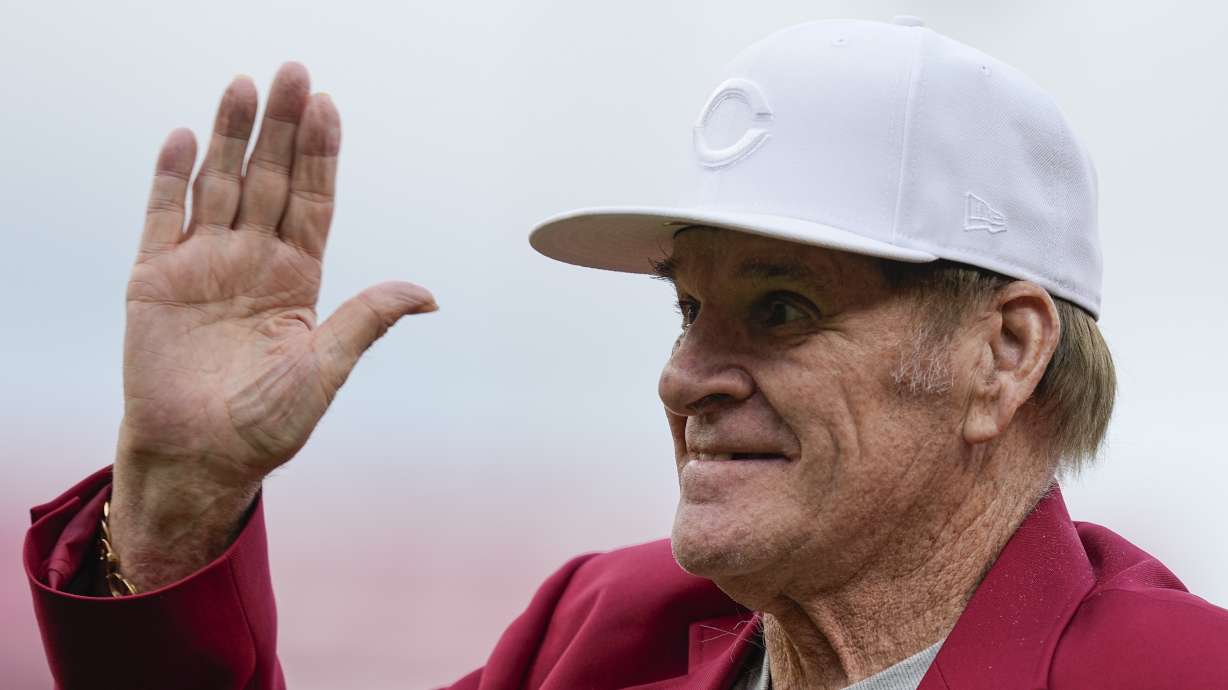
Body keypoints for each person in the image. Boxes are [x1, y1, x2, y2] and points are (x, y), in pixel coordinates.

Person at [22, 15, 1228, 690]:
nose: (685, 375)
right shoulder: (594, 634)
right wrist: (180, 505)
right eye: (684, 309)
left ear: (1003, 352)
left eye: (782, 310)